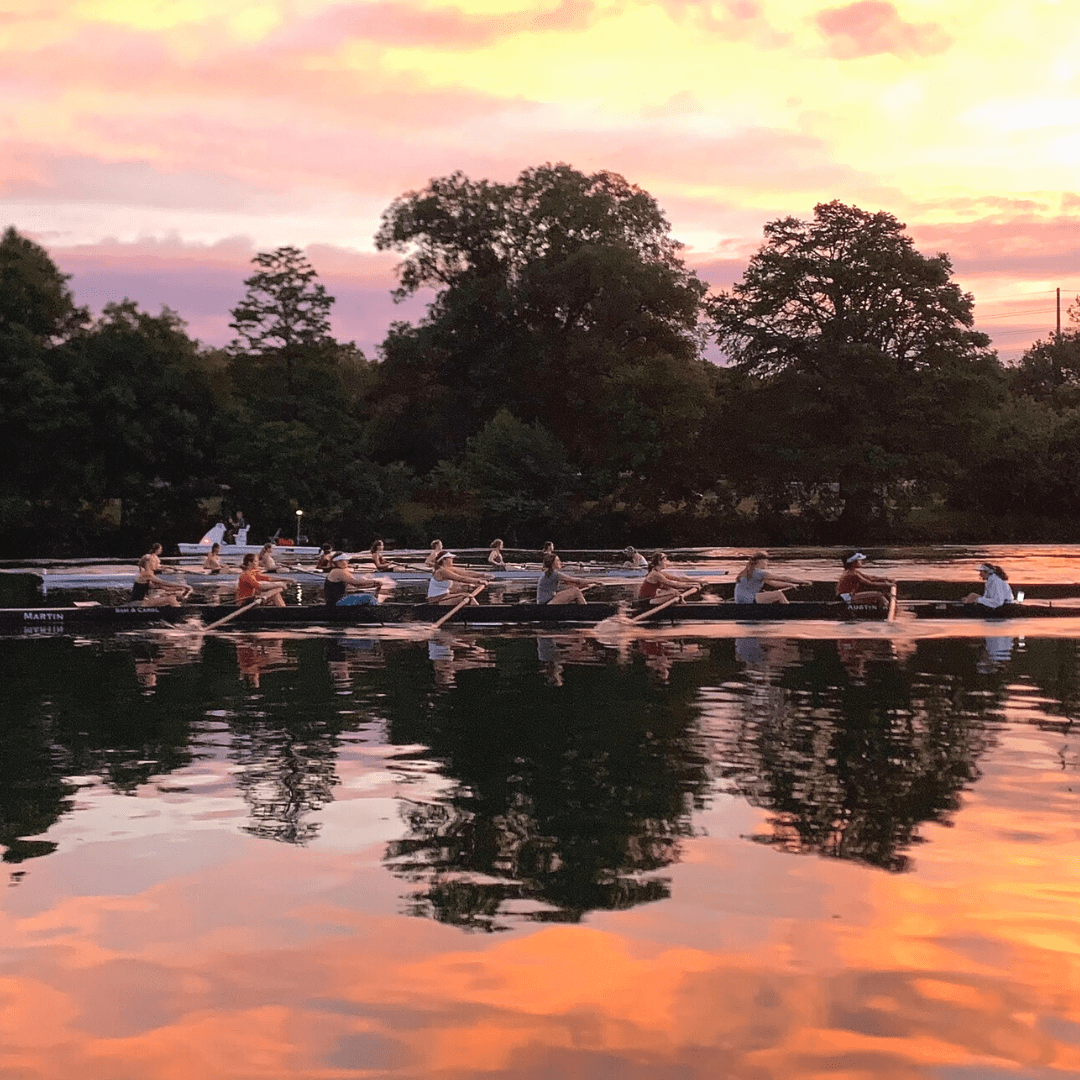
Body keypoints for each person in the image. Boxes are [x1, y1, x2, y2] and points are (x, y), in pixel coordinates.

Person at [733, 551, 806, 605]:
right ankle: (790, 611)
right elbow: (783, 578)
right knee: (779, 594)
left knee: (772, 595)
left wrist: (790, 585)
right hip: (748, 600)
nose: (767, 563)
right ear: (760, 561)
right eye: (766, 560)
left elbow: (775, 584)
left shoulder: (747, 571)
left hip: (739, 601)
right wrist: (803, 581)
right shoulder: (759, 573)